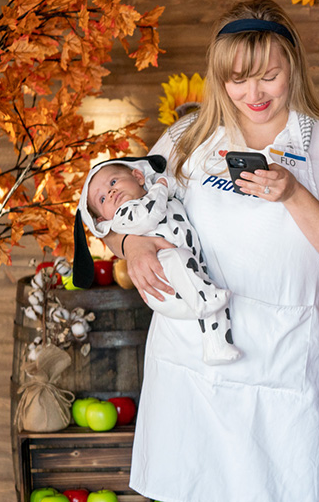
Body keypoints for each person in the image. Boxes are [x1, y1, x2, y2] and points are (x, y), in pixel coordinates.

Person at [103, 0, 319, 502]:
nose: (254, 94)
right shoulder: (189, 137)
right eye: (237, 80)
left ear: (292, 67)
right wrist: (132, 243)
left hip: (283, 370)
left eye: (269, 77)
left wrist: (294, 195)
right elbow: (109, 213)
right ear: (218, 78)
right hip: (189, 368)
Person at [77, 156, 240, 365]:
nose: (110, 192)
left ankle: (217, 347)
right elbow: (148, 216)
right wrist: (161, 185)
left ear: (138, 176)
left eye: (113, 182)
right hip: (163, 281)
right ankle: (204, 301)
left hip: (191, 275)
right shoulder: (124, 216)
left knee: (212, 303)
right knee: (178, 261)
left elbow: (181, 186)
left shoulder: (162, 197)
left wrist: (165, 184)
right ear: (102, 219)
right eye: (102, 199)